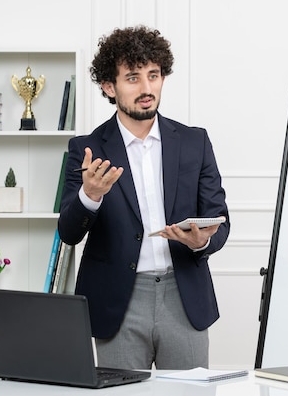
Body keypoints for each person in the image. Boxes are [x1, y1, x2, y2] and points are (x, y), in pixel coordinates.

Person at [57, 25, 230, 370]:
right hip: (117, 303)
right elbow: (69, 232)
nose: (147, 88)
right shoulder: (86, 149)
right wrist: (90, 196)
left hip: (183, 298)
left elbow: (220, 222)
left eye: (154, 75)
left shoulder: (195, 142)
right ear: (110, 86)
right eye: (133, 78)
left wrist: (199, 242)